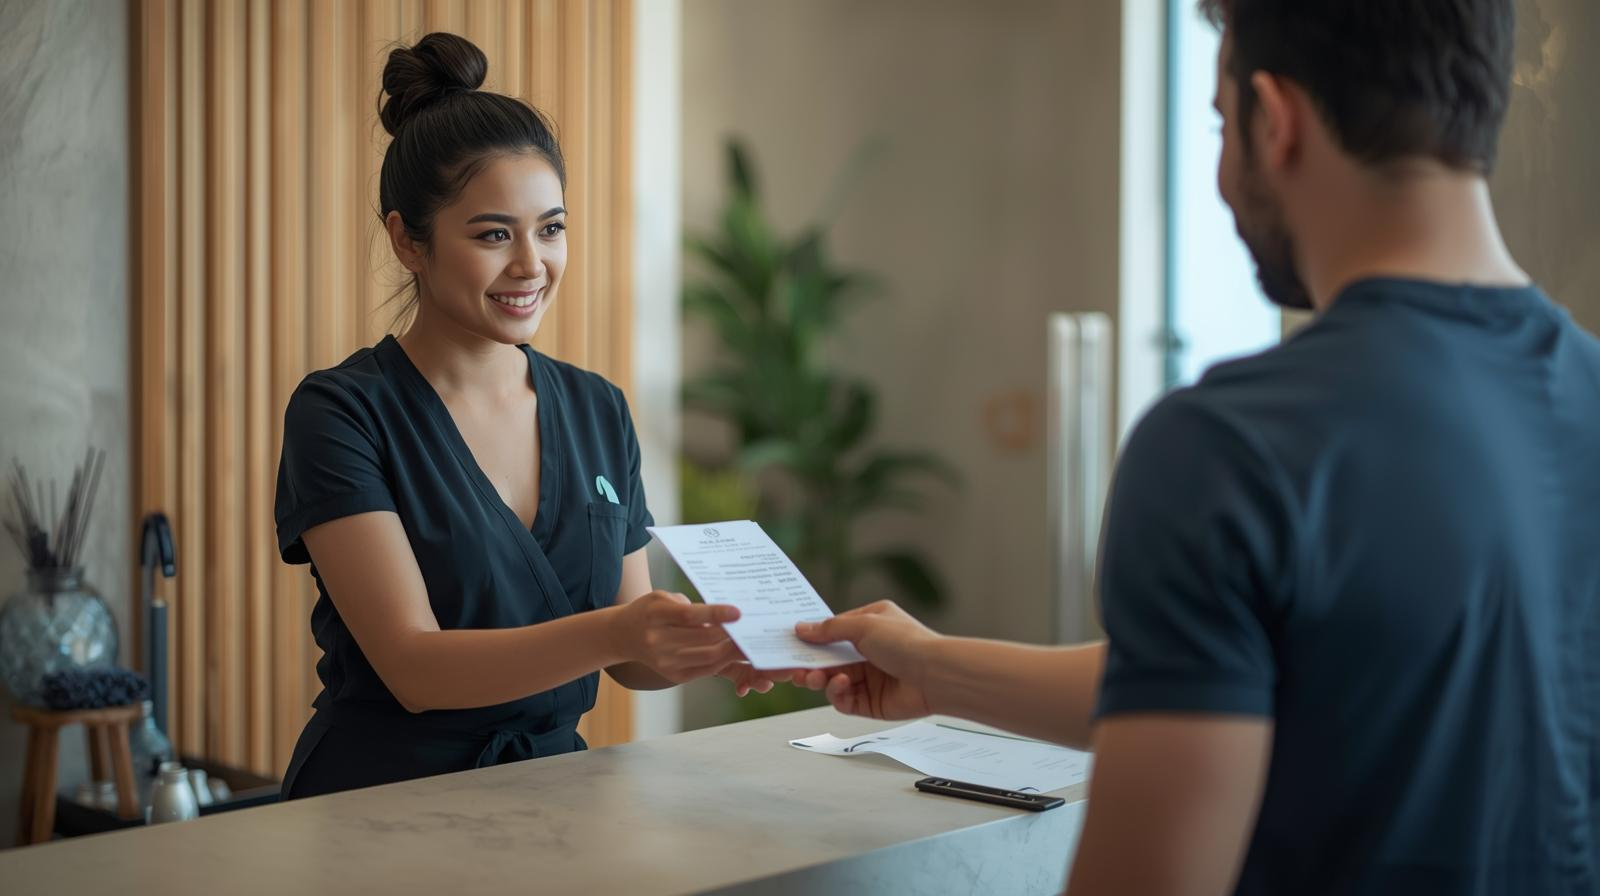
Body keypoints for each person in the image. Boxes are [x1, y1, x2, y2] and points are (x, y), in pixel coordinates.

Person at [794, 1, 1599, 893]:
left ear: (1277, 117)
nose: (1220, 170)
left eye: (1221, 124)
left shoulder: (1228, 449)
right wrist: (936, 668)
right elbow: (1257, 675)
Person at [273, 33, 769, 800]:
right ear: (407, 239)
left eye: (552, 227)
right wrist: (618, 632)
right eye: (493, 234)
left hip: (554, 801)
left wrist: (716, 642)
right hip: (377, 806)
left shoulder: (598, 409)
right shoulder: (342, 413)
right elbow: (412, 667)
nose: (532, 264)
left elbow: (630, 657)